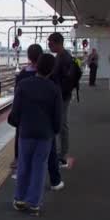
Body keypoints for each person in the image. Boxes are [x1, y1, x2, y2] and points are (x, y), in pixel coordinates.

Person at [8, 54, 63, 216]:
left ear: (37, 66)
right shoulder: (54, 89)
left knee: (24, 164)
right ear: (51, 70)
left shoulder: (24, 85)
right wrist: (54, 130)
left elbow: (15, 111)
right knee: (40, 167)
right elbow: (58, 116)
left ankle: (19, 199)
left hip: (26, 133)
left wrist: (16, 122)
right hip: (45, 135)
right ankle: (34, 204)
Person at [11, 44, 43, 176]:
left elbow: (17, 95)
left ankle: (18, 160)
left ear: (29, 56)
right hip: (41, 114)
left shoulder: (22, 75)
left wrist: (15, 113)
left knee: (20, 136)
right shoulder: (44, 74)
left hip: (24, 115)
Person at [48, 32, 73, 168]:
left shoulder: (65, 58)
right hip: (61, 95)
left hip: (63, 96)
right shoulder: (60, 56)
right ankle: (60, 153)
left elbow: (66, 81)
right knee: (61, 124)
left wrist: (58, 93)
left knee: (62, 124)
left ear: (57, 43)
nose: (49, 45)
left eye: (50, 43)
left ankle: (63, 155)